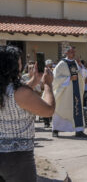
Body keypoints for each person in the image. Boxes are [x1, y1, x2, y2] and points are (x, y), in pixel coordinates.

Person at [0, 45, 55, 182]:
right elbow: (48, 110)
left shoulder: (4, 88)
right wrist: (47, 85)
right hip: (18, 159)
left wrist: (35, 81)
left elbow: (12, 95)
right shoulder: (21, 92)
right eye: (19, 61)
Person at [52, 46, 87, 138]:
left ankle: (79, 130)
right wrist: (69, 78)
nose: (73, 54)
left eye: (74, 52)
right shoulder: (61, 64)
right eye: (71, 52)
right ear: (67, 53)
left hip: (76, 92)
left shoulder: (76, 63)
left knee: (77, 110)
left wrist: (80, 65)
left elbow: (84, 75)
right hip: (65, 93)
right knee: (60, 109)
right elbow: (55, 78)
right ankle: (56, 130)